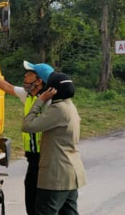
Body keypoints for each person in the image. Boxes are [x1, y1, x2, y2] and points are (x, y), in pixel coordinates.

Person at [0, 57, 54, 215]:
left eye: (29, 74)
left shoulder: (50, 103)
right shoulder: (28, 96)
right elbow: (6, 86)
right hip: (32, 159)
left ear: (38, 81)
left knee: (43, 204)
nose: (25, 76)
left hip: (46, 159)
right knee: (31, 198)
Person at [22, 72, 86, 215]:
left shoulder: (58, 109)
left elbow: (27, 125)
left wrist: (40, 101)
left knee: (44, 210)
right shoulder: (70, 106)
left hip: (56, 174)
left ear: (52, 90)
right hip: (71, 172)